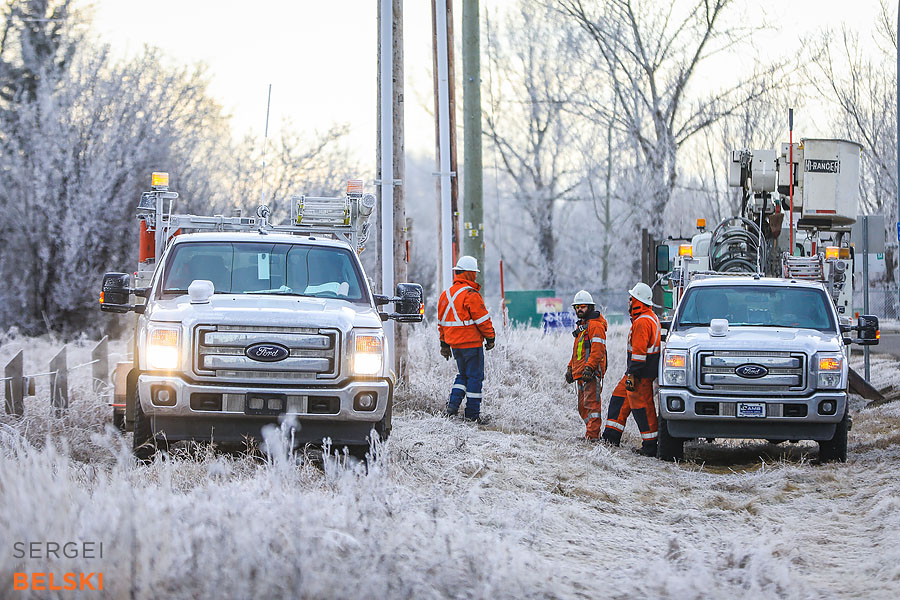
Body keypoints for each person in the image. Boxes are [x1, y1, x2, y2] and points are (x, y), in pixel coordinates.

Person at [601, 282, 661, 456]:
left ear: (638, 301)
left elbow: (640, 353)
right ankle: (610, 438)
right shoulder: (649, 318)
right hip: (637, 372)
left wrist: (633, 375)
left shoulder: (642, 322)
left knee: (642, 408)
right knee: (619, 398)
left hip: (640, 374)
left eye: (631, 299)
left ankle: (650, 446)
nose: (629, 302)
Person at [438, 255, 495, 423]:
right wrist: (490, 338)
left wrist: (444, 344)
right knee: (475, 377)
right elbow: (482, 320)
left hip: (455, 345)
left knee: (462, 375)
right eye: (474, 273)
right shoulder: (471, 294)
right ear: (470, 274)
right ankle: (472, 415)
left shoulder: (445, 294)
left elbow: (441, 323)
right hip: (471, 343)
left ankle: (452, 407)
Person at [565, 290, 608, 440]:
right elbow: (577, 352)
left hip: (591, 373)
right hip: (581, 373)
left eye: (582, 306)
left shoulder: (595, 326)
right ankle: (591, 433)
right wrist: (570, 368)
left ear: (590, 307)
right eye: (577, 307)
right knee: (583, 407)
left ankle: (593, 436)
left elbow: (597, 351)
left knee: (592, 406)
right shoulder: (583, 327)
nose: (579, 309)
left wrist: (590, 368)